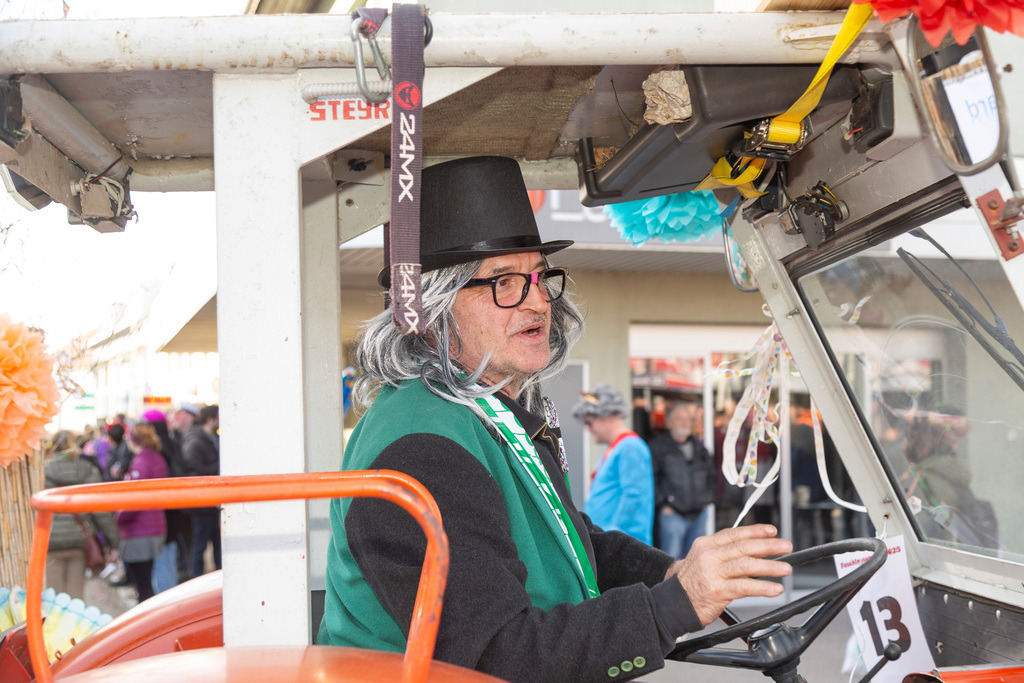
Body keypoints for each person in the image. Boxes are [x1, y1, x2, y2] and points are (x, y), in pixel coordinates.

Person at [316, 156, 792, 681]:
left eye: (539, 278)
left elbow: (563, 537)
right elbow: (500, 654)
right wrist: (674, 604)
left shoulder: (478, 410)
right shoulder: (423, 445)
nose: (538, 301)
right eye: (504, 282)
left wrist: (669, 572)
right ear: (432, 311)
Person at [573, 384, 655, 544]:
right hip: (614, 543)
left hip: (624, 545)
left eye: (589, 422)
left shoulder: (630, 446)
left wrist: (614, 533)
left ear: (608, 415)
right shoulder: (616, 447)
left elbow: (633, 496)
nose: (588, 429)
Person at [44, 431, 120, 600]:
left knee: (53, 600)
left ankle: (55, 626)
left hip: (50, 541)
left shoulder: (42, 472)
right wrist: (113, 542)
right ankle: (74, 626)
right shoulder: (88, 470)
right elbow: (100, 510)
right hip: (79, 539)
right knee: (75, 600)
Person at [650, 403, 714, 558]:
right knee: (670, 563)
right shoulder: (657, 447)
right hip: (672, 515)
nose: (685, 422)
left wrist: (707, 500)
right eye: (680, 419)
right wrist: (664, 504)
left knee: (696, 561)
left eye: (688, 419)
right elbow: (652, 479)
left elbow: (712, 475)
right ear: (669, 423)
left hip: (699, 514)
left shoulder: (700, 449)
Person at [115, 422, 167, 603]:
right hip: (155, 525)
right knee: (148, 581)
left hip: (139, 530)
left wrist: (118, 516)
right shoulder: (156, 458)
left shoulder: (140, 463)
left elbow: (134, 500)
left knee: (143, 585)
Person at [182, 404, 221, 576]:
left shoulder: (210, 439)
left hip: (210, 502)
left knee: (215, 545)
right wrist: (221, 467)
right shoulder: (196, 441)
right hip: (202, 503)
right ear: (211, 419)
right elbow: (194, 470)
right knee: (200, 545)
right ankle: (195, 579)